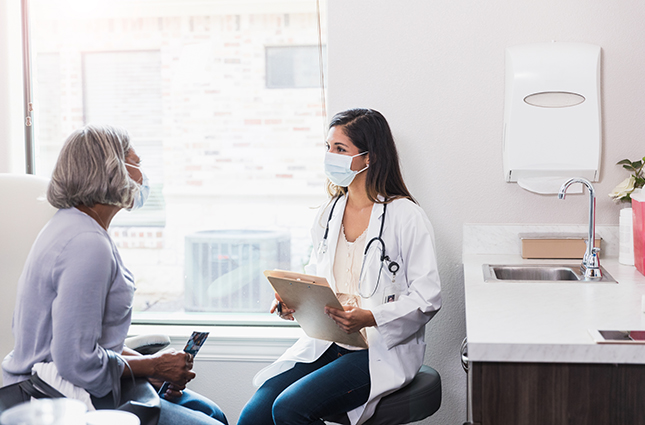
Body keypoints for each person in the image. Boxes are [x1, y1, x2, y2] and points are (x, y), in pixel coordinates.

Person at [1, 125, 228, 425]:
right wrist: (153, 367)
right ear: (112, 169)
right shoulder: (87, 243)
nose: (143, 176)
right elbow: (75, 361)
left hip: (67, 379)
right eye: (137, 162)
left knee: (211, 412)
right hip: (53, 394)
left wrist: (155, 367)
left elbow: (87, 337)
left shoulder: (76, 226)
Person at [237, 108, 442, 425]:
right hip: (327, 341)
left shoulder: (405, 215)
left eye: (340, 149)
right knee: (255, 415)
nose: (329, 156)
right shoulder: (329, 213)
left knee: (289, 408)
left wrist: (369, 316)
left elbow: (428, 297)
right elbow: (316, 281)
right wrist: (294, 302)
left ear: (368, 158)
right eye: (328, 147)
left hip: (378, 348)